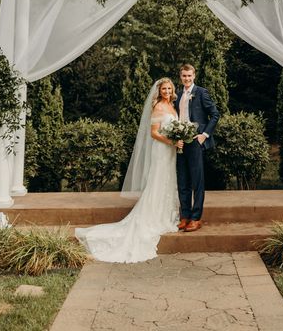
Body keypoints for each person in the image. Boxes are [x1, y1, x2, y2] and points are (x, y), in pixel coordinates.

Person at [75, 78, 182, 263]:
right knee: (158, 180)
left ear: (172, 90)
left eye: (169, 88)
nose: (166, 91)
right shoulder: (158, 107)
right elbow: (154, 133)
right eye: (164, 88)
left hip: (171, 151)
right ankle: (154, 216)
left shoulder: (172, 106)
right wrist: (172, 141)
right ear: (159, 90)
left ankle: (167, 213)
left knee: (168, 180)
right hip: (162, 149)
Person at [175, 63, 220, 232]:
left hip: (195, 141)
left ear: (194, 76)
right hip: (180, 143)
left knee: (197, 181)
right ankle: (185, 216)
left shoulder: (201, 92)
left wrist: (204, 135)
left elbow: (215, 114)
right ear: (181, 77)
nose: (186, 78)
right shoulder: (178, 95)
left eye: (189, 76)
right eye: (184, 76)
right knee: (183, 181)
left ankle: (196, 218)